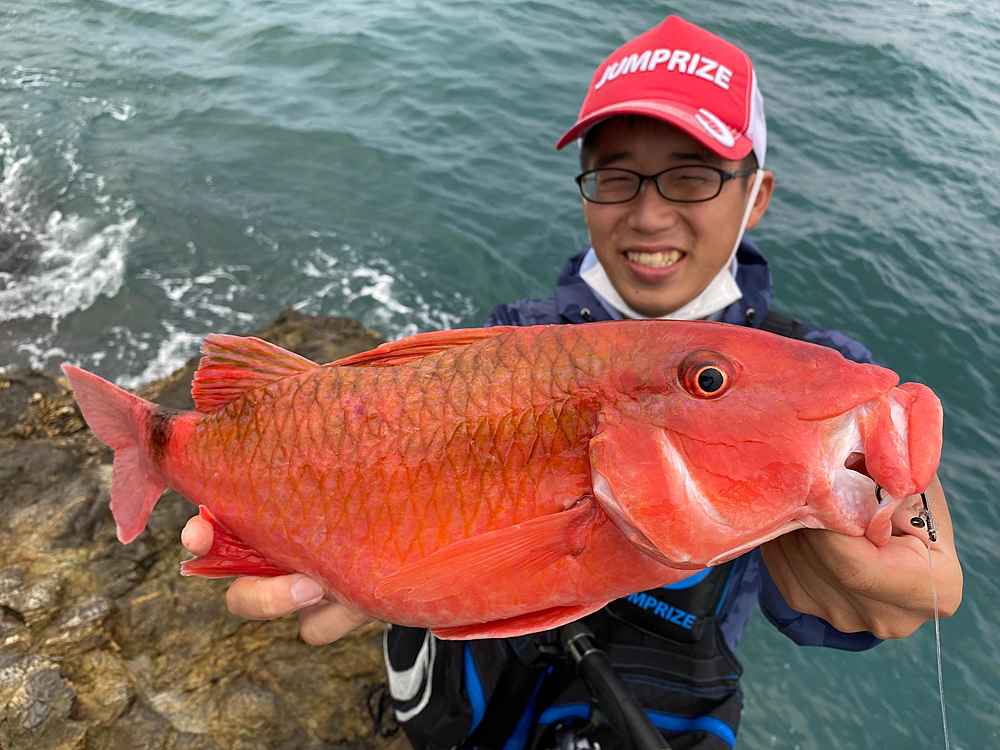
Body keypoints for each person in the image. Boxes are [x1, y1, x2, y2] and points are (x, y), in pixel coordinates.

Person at [181, 15, 963, 750]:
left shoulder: (814, 365)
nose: (649, 215)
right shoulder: (515, 336)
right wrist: (352, 549)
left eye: (692, 177)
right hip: (478, 693)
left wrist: (895, 546)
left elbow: (878, 481)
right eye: (616, 177)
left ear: (757, 195)